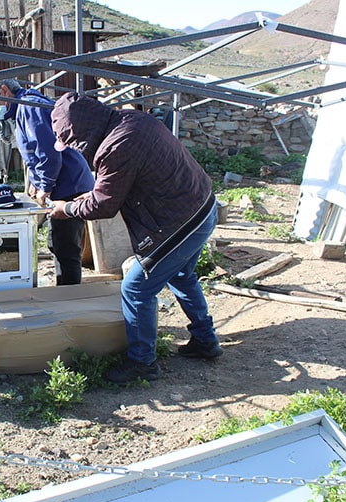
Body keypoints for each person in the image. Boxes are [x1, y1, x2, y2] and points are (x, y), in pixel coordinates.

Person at [48, 92, 223, 384]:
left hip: (179, 222)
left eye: (72, 142)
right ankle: (206, 340)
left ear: (82, 133)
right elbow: (120, 181)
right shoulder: (132, 119)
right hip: (202, 207)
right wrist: (89, 196)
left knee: (136, 289)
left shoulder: (116, 146)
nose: (75, 149)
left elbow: (104, 206)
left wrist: (66, 209)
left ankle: (142, 363)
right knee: (181, 276)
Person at [0, 79, 94, 286]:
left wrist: (44, 186)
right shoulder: (25, 107)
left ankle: (70, 295)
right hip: (66, 182)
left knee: (65, 247)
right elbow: (35, 153)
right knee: (58, 243)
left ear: (4, 91)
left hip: (69, 185)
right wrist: (35, 181)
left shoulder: (29, 107)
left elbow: (48, 153)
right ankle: (64, 289)